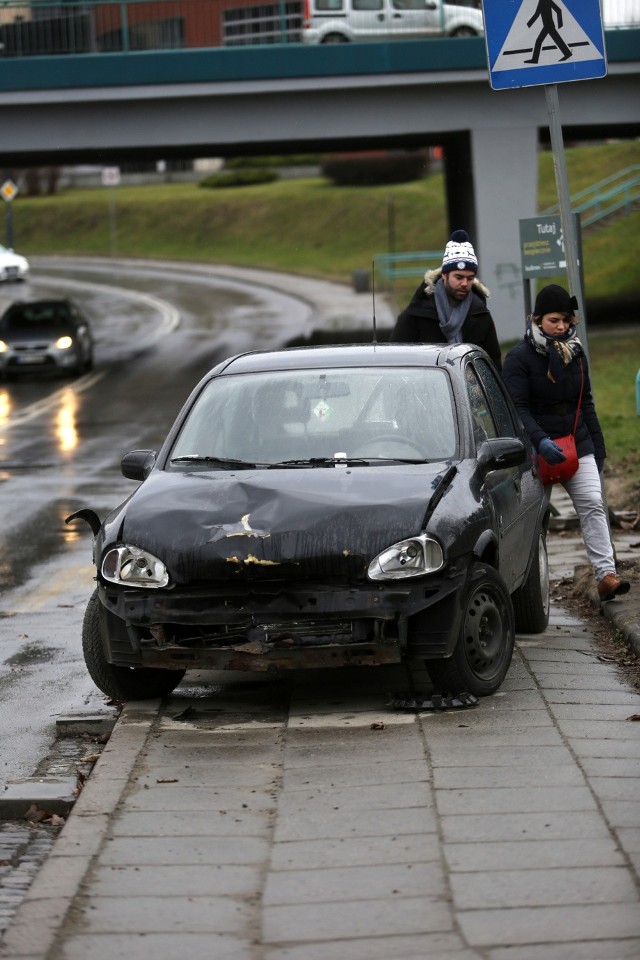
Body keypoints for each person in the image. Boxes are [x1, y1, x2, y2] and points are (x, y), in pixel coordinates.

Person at [502, 283, 630, 602]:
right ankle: (524, 585)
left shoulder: (576, 353)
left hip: (578, 442)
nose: (560, 327)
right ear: (537, 320)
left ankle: (606, 576)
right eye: (553, 320)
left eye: (565, 321)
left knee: (592, 503)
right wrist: (539, 441)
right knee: (531, 516)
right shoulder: (519, 358)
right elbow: (517, 408)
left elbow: (585, 403)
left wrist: (597, 449)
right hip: (536, 449)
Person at [389, 229, 502, 371]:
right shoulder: (417, 313)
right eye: (459, 277)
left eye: (470, 278)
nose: (465, 284)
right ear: (444, 275)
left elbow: (494, 366)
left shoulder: (480, 315)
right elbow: (394, 359)